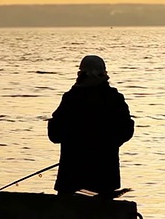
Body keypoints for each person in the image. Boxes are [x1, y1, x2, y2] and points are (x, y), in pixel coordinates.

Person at [48, 55, 135, 196]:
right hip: (105, 177)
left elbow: (54, 134)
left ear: (81, 74)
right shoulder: (114, 99)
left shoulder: (71, 99)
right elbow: (127, 130)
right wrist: (109, 144)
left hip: (71, 177)